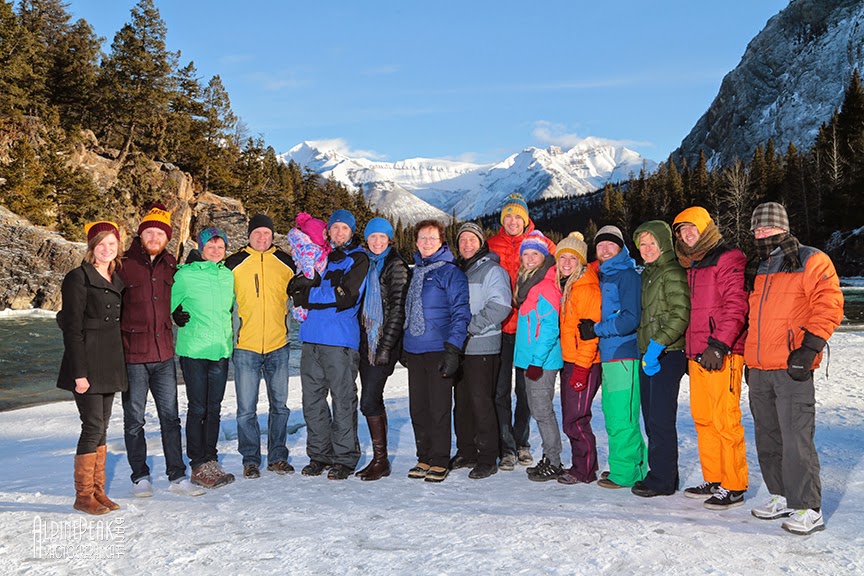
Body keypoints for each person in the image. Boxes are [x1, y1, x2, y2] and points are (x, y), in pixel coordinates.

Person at [744, 202, 843, 535]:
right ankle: (781, 495)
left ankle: (808, 508)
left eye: (768, 227)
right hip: (759, 367)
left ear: (784, 228)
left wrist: (809, 347)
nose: (762, 233)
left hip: (791, 366)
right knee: (768, 437)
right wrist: (749, 359)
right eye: (757, 228)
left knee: (796, 438)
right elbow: (753, 319)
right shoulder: (759, 266)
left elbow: (829, 303)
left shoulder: (811, 259)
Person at [117, 202, 202, 497]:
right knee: (134, 420)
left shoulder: (170, 265)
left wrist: (176, 313)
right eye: (150, 232)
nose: (155, 238)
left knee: (170, 418)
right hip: (133, 356)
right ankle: (140, 477)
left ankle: (177, 476)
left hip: (164, 355)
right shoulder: (123, 265)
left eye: (160, 234)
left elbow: (172, 298)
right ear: (141, 235)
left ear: (167, 238)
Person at [672, 206, 749, 510]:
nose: (687, 234)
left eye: (692, 227)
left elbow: (736, 305)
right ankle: (715, 478)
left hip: (721, 353)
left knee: (724, 419)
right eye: (681, 230)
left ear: (705, 228)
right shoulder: (689, 263)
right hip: (697, 355)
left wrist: (719, 345)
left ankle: (734, 485)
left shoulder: (728, 257)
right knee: (703, 419)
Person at [289, 209, 370, 480]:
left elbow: (346, 295)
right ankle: (319, 455)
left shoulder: (357, 258)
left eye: (344, 228)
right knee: (312, 401)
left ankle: (345, 458)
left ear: (352, 232)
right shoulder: (318, 256)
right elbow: (298, 283)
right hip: (310, 338)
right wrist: (298, 289)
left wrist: (307, 295)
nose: (339, 232)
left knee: (342, 400)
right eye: (334, 228)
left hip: (340, 341)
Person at [57, 221, 127, 514]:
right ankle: (83, 495)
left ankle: (99, 491)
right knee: (92, 426)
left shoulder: (116, 277)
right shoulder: (78, 278)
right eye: (101, 244)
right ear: (91, 247)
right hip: (86, 361)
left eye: (112, 244)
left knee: (102, 427)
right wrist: (79, 373)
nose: (106, 249)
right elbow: (71, 328)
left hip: (110, 360)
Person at [487, 193, 556, 470]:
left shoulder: (543, 244)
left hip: (530, 330)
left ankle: (522, 442)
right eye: (508, 216)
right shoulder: (491, 244)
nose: (513, 221)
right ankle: (506, 447)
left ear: (526, 219)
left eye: (518, 216)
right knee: (500, 390)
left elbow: (565, 266)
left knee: (525, 391)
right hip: (502, 328)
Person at [225, 213, 296, 479]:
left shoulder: (287, 262)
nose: (262, 237)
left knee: (280, 407)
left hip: (279, 344)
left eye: (267, 233)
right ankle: (250, 460)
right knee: (246, 410)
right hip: (246, 346)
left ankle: (277, 457)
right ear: (249, 235)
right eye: (257, 233)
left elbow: (306, 287)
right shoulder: (234, 263)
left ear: (272, 235)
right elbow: (215, 292)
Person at [402, 219, 471, 483]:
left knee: (439, 408)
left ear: (442, 242)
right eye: (422, 238)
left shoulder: (450, 273)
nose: (427, 242)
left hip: (439, 349)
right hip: (414, 349)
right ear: (416, 242)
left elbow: (461, 312)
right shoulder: (417, 271)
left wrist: (453, 349)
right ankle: (424, 457)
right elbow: (408, 311)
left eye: (432, 238)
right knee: (418, 408)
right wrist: (403, 346)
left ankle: (440, 459)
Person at [578, 225, 646, 489]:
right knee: (614, 413)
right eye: (600, 245)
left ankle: (625, 473)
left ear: (621, 247)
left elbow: (630, 319)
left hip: (623, 354)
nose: (605, 250)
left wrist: (596, 329)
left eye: (611, 244)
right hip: (609, 355)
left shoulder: (626, 275)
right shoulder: (606, 274)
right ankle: (632, 467)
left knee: (621, 416)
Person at [170, 227, 236, 489]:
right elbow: (165, 303)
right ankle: (198, 464)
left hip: (220, 350)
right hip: (194, 350)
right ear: (201, 248)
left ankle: (211, 459)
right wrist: (174, 314)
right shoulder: (185, 275)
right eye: (211, 246)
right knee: (198, 408)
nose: (216, 251)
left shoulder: (227, 275)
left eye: (221, 246)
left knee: (214, 408)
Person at [630, 221, 690, 498]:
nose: (647, 248)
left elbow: (680, 313)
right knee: (650, 418)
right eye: (642, 244)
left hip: (668, 353)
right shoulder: (649, 273)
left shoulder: (672, 271)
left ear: (664, 243)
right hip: (648, 353)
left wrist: (658, 344)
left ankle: (663, 480)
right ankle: (662, 473)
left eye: (652, 243)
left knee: (661, 419)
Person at [452, 222, 511, 480]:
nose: (467, 244)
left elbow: (501, 306)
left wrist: (469, 327)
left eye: (472, 239)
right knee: (462, 403)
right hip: (460, 348)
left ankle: (487, 457)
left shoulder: (492, 270)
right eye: (462, 240)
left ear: (481, 243)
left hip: (483, 345)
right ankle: (466, 451)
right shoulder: (460, 269)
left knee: (481, 402)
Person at [355, 217, 410, 481]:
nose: (377, 242)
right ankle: (381, 460)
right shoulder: (366, 263)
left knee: (369, 401)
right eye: (372, 237)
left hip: (382, 343)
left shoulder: (395, 265)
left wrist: (386, 346)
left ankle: (381, 460)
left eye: (382, 237)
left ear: (390, 239)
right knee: (374, 400)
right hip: (366, 341)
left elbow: (398, 309)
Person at [513, 231, 564, 481]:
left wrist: (536, 362)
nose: (530, 258)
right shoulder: (528, 281)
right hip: (531, 360)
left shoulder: (546, 285)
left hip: (541, 361)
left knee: (543, 412)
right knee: (537, 410)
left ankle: (554, 461)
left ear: (544, 257)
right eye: (526, 254)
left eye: (536, 253)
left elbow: (550, 328)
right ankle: (548, 458)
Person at [555, 232, 602, 485]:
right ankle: (582, 464)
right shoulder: (569, 285)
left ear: (581, 261)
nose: (566, 263)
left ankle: (584, 470)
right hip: (570, 360)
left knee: (576, 418)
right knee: (571, 417)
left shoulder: (586, 287)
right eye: (562, 257)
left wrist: (582, 368)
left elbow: (589, 334)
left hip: (585, 363)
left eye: (572, 258)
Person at [286, 212, 331, 322]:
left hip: (314, 280)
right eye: (324, 234)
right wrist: (310, 276)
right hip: (309, 278)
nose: (326, 237)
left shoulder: (319, 248)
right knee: (302, 300)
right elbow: (307, 262)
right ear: (315, 234)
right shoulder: (310, 248)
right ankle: (299, 315)